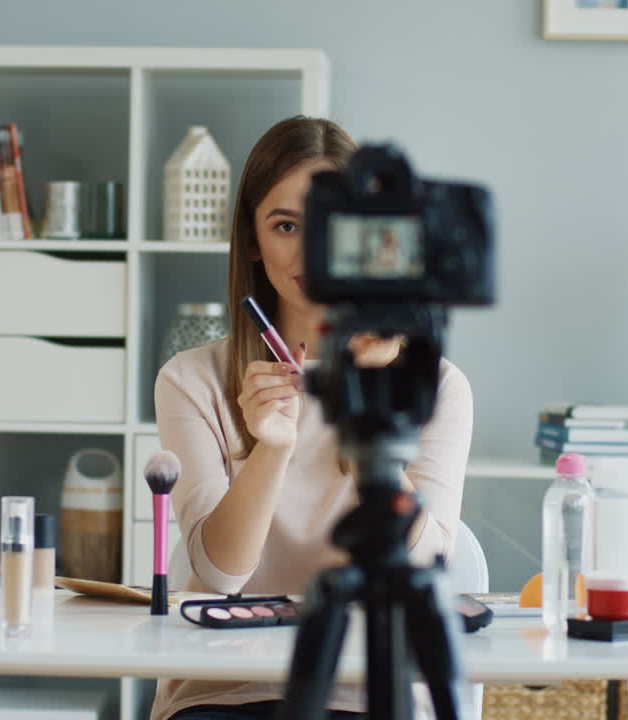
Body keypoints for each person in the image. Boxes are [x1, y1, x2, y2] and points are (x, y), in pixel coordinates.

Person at [151, 116, 474, 720]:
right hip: (226, 689)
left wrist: (365, 419)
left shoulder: (435, 384)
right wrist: (271, 447)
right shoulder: (189, 380)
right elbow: (221, 576)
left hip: (370, 687)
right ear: (252, 239)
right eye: (285, 226)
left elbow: (429, 557)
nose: (310, 252)